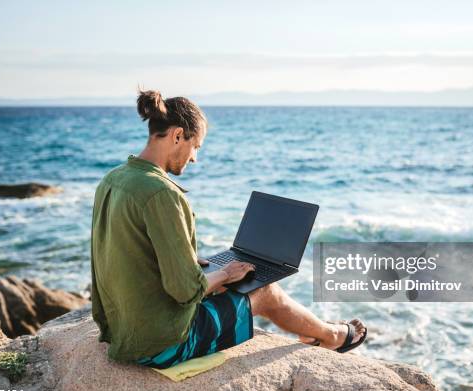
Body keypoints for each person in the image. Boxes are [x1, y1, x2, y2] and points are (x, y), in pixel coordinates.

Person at [90, 89, 367, 368]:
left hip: (120, 331)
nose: (195, 157)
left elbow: (116, 248)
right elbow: (184, 291)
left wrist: (185, 261)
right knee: (265, 292)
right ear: (177, 136)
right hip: (160, 344)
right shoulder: (163, 194)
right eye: (195, 146)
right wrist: (223, 274)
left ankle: (320, 332)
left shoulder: (113, 179)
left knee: (220, 283)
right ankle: (333, 336)